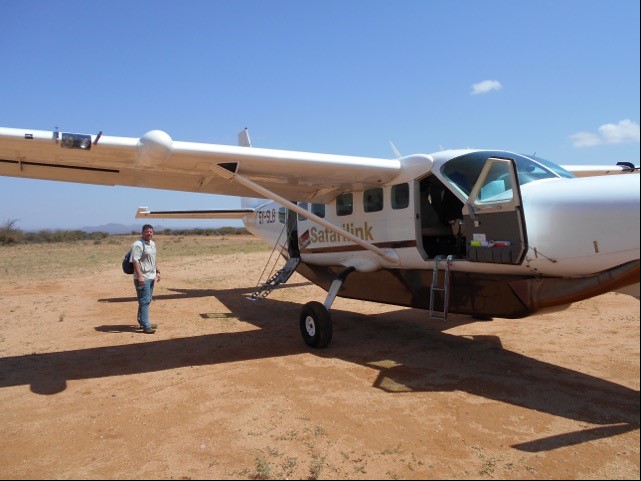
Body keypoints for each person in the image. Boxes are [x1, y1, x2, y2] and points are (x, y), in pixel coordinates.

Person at [132, 224, 161, 334]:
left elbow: (153, 259)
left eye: (151, 232)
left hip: (151, 276)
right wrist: (140, 276)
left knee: (146, 300)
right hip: (143, 277)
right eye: (147, 232)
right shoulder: (138, 245)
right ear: (142, 233)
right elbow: (135, 261)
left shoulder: (152, 244)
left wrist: (157, 271)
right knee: (144, 301)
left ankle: (142, 321)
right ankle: (146, 325)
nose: (149, 233)